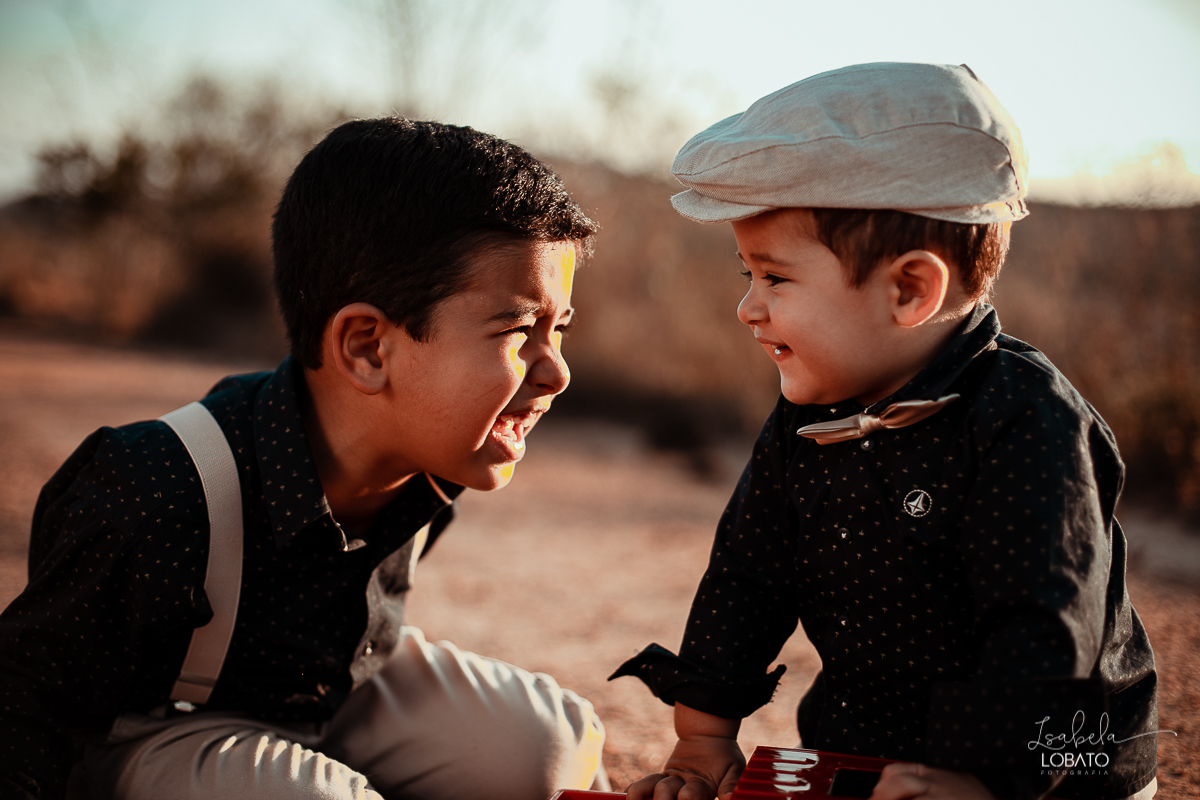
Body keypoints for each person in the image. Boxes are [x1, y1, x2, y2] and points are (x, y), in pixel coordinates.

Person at [0, 118, 607, 800]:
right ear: (367, 347)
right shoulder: (151, 491)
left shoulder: (438, 458)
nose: (557, 372)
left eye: (559, 330)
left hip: (335, 684)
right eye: (520, 330)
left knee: (554, 744)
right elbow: (24, 708)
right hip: (161, 723)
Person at [610, 63, 1158, 800]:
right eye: (748, 276)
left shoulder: (1027, 421)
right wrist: (702, 739)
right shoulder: (807, 416)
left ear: (909, 290)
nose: (748, 307)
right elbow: (746, 574)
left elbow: (1044, 626)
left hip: (1048, 774)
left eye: (775, 278)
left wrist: (980, 778)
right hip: (861, 747)